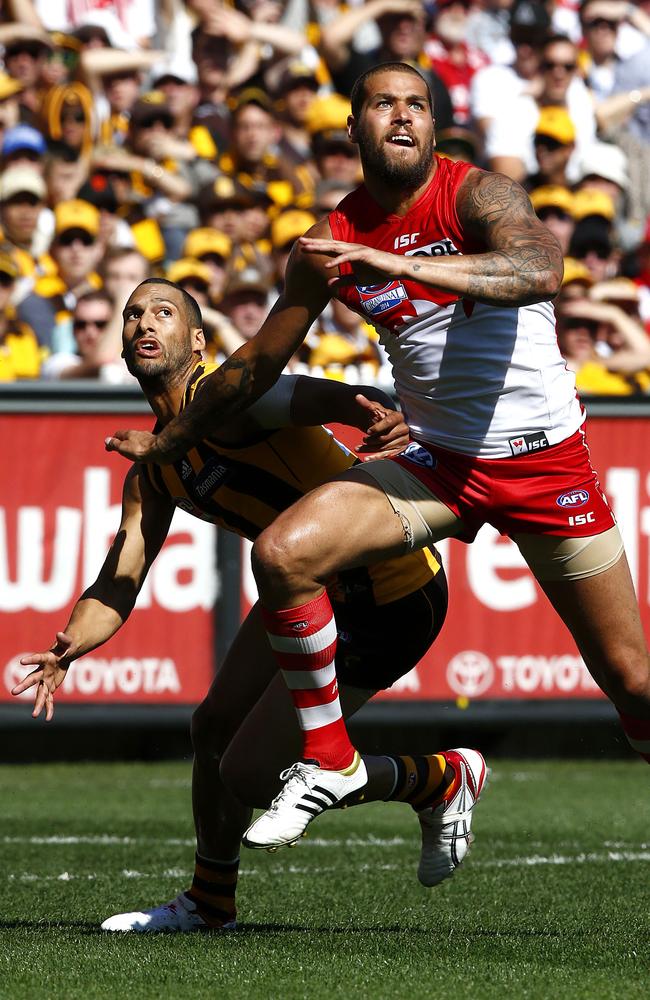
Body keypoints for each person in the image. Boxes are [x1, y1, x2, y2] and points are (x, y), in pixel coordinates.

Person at [104, 61, 650, 854]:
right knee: (284, 553)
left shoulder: (477, 194)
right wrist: (170, 441)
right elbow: (252, 368)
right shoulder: (329, 242)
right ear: (351, 128)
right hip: (438, 466)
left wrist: (406, 266)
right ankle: (328, 762)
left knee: (632, 683)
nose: (402, 117)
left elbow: (541, 269)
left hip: (545, 464)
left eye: (417, 106)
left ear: (433, 125)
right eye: (384, 104)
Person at [14, 277, 466, 932]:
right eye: (133, 314)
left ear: (197, 342)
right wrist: (66, 648)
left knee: (253, 775)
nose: (144, 321)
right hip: (309, 587)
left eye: (163, 312)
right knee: (213, 728)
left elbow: (292, 393)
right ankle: (208, 901)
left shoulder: (223, 397)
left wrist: (360, 405)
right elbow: (120, 580)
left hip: (389, 591)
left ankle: (436, 779)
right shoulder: (154, 468)